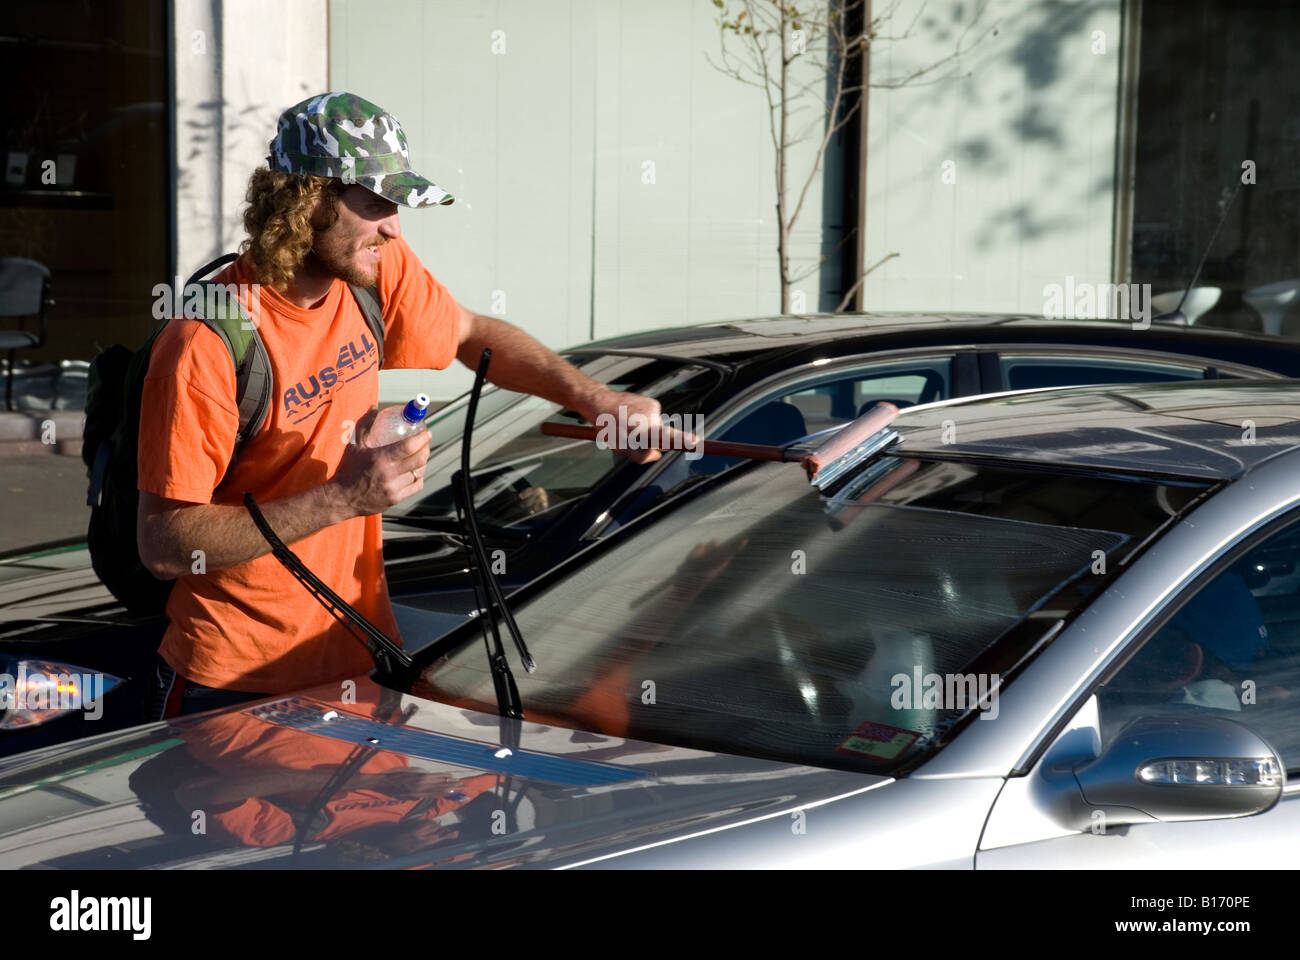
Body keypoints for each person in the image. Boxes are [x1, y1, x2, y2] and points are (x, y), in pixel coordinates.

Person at [137, 92, 660, 717]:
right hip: (233, 688)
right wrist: (342, 498)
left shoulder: (371, 273)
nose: (394, 227)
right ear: (308, 200)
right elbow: (165, 544)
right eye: (377, 203)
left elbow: (469, 335)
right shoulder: (207, 340)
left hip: (358, 664)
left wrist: (596, 401)